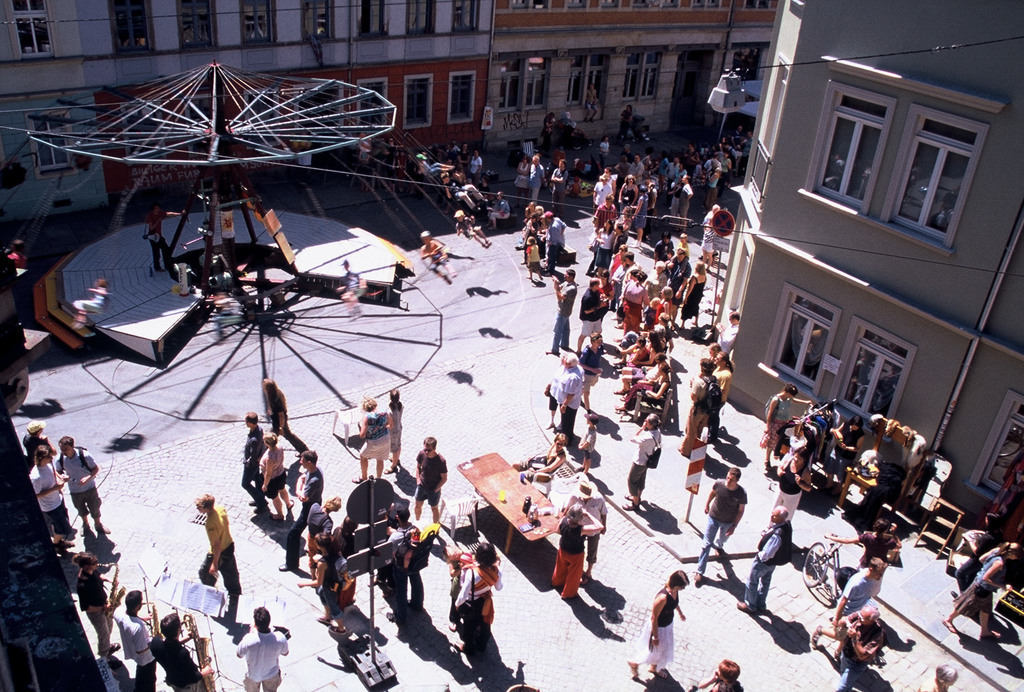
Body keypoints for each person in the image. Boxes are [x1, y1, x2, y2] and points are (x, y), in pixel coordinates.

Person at [943, 541, 1022, 639]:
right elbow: (986, 578)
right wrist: (1002, 586)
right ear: (1012, 554)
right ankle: (948, 620)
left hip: (982, 585)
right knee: (964, 605)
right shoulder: (999, 563)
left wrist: (987, 567)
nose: (1016, 559)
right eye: (1017, 556)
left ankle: (984, 632)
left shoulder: (996, 551)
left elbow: (981, 559)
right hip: (981, 588)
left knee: (986, 609)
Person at [811, 557, 887, 655]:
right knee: (839, 635)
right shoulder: (856, 582)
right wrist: (837, 618)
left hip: (858, 611)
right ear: (871, 569)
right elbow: (843, 601)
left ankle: (838, 652)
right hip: (847, 613)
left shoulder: (874, 578)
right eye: (879, 573)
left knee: (847, 635)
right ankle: (820, 631)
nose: (880, 576)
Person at [628, 570, 688, 680]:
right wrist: (655, 637)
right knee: (655, 651)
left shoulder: (674, 591)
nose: (683, 589)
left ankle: (654, 667)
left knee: (661, 650)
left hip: (667, 625)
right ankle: (635, 663)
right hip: (659, 628)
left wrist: (680, 613)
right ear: (676, 584)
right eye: (682, 586)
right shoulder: (662, 598)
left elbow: (675, 603)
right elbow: (654, 618)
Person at [694, 468, 746, 586]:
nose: (728, 481)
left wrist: (734, 526)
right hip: (714, 518)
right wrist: (707, 504)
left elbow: (740, 511)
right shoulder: (719, 483)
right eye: (728, 477)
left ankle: (719, 546)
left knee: (723, 539)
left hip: (728, 522)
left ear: (737, 481)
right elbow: (713, 492)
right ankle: (700, 571)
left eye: (731, 480)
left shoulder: (741, 494)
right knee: (706, 544)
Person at [737, 506, 792, 614]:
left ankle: (750, 605)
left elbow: (768, 553)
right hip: (773, 563)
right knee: (765, 582)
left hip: (763, 563)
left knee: (752, 581)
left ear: (780, 518)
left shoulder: (777, 534)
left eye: (774, 515)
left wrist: (759, 556)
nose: (771, 516)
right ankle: (761, 604)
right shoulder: (785, 526)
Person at [453, 542, 503, 656]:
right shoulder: (496, 570)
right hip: (485, 601)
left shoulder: (472, 573)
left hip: (471, 603)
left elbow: (464, 594)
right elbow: (499, 587)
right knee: (484, 623)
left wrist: (457, 604)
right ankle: (481, 645)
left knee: (469, 627)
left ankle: (468, 648)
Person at [56, 436, 109, 534]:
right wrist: (62, 476)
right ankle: (85, 524)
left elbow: (95, 469)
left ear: (72, 446)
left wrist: (88, 478)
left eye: (66, 449)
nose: (63, 451)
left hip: (90, 488)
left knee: (95, 507)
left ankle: (98, 525)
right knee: (80, 509)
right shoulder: (60, 458)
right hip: (74, 490)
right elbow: (58, 470)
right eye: (61, 449)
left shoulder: (85, 456)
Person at [282, 450, 323, 572]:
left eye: (302, 460)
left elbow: (304, 497)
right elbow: (302, 478)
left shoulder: (314, 480)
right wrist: (300, 487)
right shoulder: (314, 470)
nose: (300, 462)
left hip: (309, 509)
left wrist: (298, 491)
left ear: (309, 462)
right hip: (314, 505)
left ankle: (291, 564)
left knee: (293, 533)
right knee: (315, 532)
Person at [298, 532, 348, 634]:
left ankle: (341, 628)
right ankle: (327, 617)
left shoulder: (322, 563)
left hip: (329, 587)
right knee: (321, 593)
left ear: (320, 546)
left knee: (334, 608)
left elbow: (318, 582)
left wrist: (304, 584)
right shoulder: (336, 551)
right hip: (335, 583)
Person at [73, 552, 120, 659]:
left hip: (104, 606)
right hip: (96, 613)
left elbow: (98, 575)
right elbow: (86, 607)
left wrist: (109, 579)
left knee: (109, 627)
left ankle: (107, 647)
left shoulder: (91, 570)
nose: (97, 564)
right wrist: (103, 608)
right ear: (86, 566)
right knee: (103, 635)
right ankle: (104, 658)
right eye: (94, 562)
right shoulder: (82, 585)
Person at [151, 612, 212, 692]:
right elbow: (193, 677)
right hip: (186, 686)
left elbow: (168, 648)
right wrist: (204, 672)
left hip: (172, 680)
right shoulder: (183, 653)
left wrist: (182, 640)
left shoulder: (155, 643)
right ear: (178, 630)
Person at [30, 445, 75, 555]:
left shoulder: (48, 464)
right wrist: (54, 488)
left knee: (60, 525)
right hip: (50, 507)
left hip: (58, 500)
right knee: (63, 528)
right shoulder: (36, 477)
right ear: (41, 458)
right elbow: (36, 495)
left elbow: (53, 472)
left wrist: (60, 477)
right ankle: (56, 545)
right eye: (49, 457)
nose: (51, 459)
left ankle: (60, 541)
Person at [195, 493, 241, 596]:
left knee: (204, 573)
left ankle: (211, 592)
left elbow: (216, 545)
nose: (197, 509)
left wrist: (214, 564)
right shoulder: (220, 508)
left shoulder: (210, 524)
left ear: (205, 508)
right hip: (229, 545)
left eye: (199, 507)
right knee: (231, 573)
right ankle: (236, 593)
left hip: (220, 551)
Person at [562, 480, 606, 585]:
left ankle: (588, 572)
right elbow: (567, 510)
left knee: (592, 550)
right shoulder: (574, 497)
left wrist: (604, 526)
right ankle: (575, 568)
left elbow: (604, 513)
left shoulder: (599, 499)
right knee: (576, 549)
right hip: (578, 528)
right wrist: (563, 521)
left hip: (593, 529)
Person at [236, 607, 289, 692]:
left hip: (253, 675)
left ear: (255, 624)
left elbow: (239, 654)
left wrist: (251, 633)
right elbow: (285, 653)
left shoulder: (248, 639)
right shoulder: (280, 637)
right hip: (271, 674)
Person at [761, 383, 812, 473]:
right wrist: (767, 426)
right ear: (787, 392)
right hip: (776, 423)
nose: (792, 397)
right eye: (792, 394)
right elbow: (770, 413)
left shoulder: (788, 398)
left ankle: (778, 455)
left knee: (780, 441)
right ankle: (767, 460)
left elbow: (794, 400)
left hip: (784, 423)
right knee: (772, 442)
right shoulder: (776, 399)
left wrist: (805, 402)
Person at [114, 590, 157, 692]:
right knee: (150, 680)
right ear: (138, 606)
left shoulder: (118, 612)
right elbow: (141, 650)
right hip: (146, 658)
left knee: (141, 675)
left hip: (132, 651)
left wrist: (142, 618)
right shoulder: (138, 628)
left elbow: (130, 616)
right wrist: (156, 641)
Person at [835, 605, 886, 692]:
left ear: (871, 620)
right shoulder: (859, 615)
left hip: (857, 662)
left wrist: (855, 638)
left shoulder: (877, 634)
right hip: (846, 653)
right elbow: (842, 622)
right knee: (844, 675)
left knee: (841, 688)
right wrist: (843, 622)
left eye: (862, 618)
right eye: (860, 614)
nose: (859, 617)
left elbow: (862, 655)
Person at [827, 518, 901, 569]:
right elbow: (899, 546)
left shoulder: (867, 537)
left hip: (865, 565)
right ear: (885, 530)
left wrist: (830, 537)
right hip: (878, 570)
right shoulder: (888, 542)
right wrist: (893, 533)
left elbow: (847, 540)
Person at [623, 414, 662, 511]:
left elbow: (633, 438)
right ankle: (638, 496)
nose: (644, 421)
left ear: (650, 425)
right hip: (647, 461)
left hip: (639, 461)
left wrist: (641, 428)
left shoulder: (648, 438)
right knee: (641, 480)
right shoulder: (657, 432)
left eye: (646, 421)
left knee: (631, 481)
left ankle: (635, 503)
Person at [680, 358, 717, 459]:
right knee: (699, 429)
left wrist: (693, 384)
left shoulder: (699, 383)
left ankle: (686, 451)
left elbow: (693, 397)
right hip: (708, 409)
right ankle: (695, 446)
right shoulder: (714, 379)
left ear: (702, 368)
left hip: (698, 409)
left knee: (691, 430)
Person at [262, 378, 308, 455]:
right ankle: (304, 450)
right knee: (287, 435)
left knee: (272, 438)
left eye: (264, 387)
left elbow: (281, 416)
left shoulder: (274, 399)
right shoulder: (276, 393)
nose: (263, 389)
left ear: (268, 389)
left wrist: (280, 428)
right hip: (278, 421)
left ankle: (304, 451)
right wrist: (270, 411)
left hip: (280, 422)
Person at [551, 505, 587, 599]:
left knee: (560, 567)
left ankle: (557, 583)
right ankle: (568, 594)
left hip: (563, 549)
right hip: (576, 554)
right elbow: (599, 527)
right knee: (574, 575)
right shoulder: (581, 529)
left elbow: (557, 531)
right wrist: (589, 515)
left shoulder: (563, 520)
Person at [547, 353, 584, 444]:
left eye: (565, 360)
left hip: (569, 403)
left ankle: (567, 440)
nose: (563, 361)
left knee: (568, 422)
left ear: (570, 364)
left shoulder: (573, 377)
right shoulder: (566, 367)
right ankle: (564, 434)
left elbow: (571, 394)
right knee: (565, 420)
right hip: (561, 398)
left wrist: (564, 405)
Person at [356, 396, 392, 482]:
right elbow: (391, 424)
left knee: (363, 456)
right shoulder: (384, 412)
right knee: (380, 459)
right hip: (385, 439)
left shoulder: (366, 417)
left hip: (373, 443)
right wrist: (382, 428)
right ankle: (378, 479)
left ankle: (364, 477)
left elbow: (362, 435)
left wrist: (361, 427)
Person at [241, 412, 269, 515]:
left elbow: (253, 456)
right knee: (257, 480)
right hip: (256, 463)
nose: (245, 422)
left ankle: (261, 503)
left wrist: (247, 462)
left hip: (252, 465)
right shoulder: (259, 429)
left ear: (250, 423)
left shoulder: (254, 440)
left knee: (245, 484)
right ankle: (259, 498)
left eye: (246, 421)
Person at [414, 436, 448, 523]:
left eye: (429, 450)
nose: (426, 452)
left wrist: (436, 489)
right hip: (422, 486)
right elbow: (418, 468)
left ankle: (435, 526)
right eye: (425, 449)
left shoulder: (441, 461)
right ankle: (417, 523)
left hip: (433, 488)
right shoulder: (422, 454)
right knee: (417, 506)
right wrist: (418, 480)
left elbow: (444, 478)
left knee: (434, 508)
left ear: (434, 448)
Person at [260, 432, 292, 521]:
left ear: (267, 443)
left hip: (272, 480)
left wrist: (265, 485)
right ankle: (288, 504)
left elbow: (268, 473)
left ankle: (280, 514)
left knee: (275, 497)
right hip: (281, 474)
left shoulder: (270, 457)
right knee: (282, 489)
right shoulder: (280, 447)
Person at [305, 496, 340, 572]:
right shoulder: (328, 522)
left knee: (311, 556)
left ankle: (313, 575)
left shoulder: (315, 506)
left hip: (310, 536)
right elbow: (325, 537)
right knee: (320, 560)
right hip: (319, 544)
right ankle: (319, 574)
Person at [547, 269, 578, 356]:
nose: (564, 276)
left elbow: (560, 297)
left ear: (571, 277)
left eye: (566, 275)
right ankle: (564, 344)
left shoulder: (571, 288)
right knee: (565, 329)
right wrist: (555, 283)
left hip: (563, 311)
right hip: (566, 311)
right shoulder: (567, 283)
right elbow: (558, 288)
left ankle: (555, 349)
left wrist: (557, 286)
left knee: (557, 331)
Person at [144, 202, 180, 272]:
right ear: (153, 209)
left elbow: (168, 213)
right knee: (156, 252)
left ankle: (167, 265)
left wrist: (179, 214)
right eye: (156, 208)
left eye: (158, 208)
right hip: (153, 237)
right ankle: (157, 267)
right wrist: (158, 220)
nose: (158, 209)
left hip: (159, 236)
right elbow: (151, 227)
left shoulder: (160, 213)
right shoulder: (149, 216)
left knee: (166, 250)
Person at [708, 352, 733, 443]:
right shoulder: (719, 367)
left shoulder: (726, 375)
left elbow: (721, 391)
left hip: (717, 401)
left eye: (717, 358)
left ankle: (713, 436)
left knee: (713, 417)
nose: (715, 359)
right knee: (711, 416)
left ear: (723, 362)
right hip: (712, 398)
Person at [578, 332, 604, 413]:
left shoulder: (600, 348)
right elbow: (580, 363)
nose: (600, 343)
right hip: (587, 375)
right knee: (587, 393)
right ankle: (588, 410)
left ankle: (576, 395)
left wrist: (597, 369)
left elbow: (599, 357)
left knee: (586, 388)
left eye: (601, 341)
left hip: (595, 374)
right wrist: (592, 369)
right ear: (593, 342)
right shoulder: (587, 351)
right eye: (598, 341)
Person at [385, 389, 404, 474]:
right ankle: (396, 459)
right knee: (398, 444)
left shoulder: (390, 412)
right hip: (399, 428)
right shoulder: (400, 406)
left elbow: (390, 425)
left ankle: (394, 465)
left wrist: (385, 426)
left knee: (394, 449)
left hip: (393, 432)